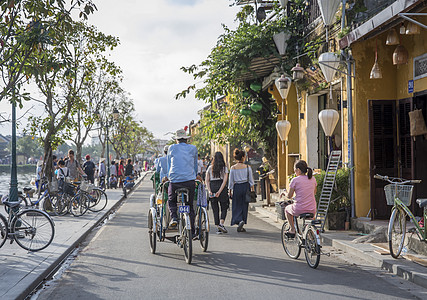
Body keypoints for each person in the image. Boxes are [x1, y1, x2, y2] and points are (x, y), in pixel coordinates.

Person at [166, 129, 198, 231]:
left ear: (177, 140)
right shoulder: (193, 148)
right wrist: (194, 175)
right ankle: (192, 230)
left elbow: (169, 165)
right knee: (190, 205)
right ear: (186, 140)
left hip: (175, 181)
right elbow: (195, 166)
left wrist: (168, 176)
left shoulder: (171, 148)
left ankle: (174, 217)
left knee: (171, 200)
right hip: (190, 180)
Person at [282, 160, 317, 237]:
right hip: (312, 208)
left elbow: (289, 196)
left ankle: (292, 229)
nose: (294, 172)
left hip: (299, 208)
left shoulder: (295, 180)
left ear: (298, 170)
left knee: (287, 209)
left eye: (294, 170)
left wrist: (284, 193)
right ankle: (311, 238)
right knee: (309, 223)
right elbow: (314, 193)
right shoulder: (313, 179)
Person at [228, 148, 254, 232]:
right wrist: (252, 190)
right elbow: (251, 181)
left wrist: (230, 190)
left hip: (237, 187)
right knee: (244, 205)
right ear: (243, 157)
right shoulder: (247, 167)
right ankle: (242, 220)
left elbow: (231, 181)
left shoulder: (233, 168)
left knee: (236, 205)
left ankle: (239, 220)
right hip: (246, 187)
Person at [206, 151, 229, 234]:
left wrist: (209, 191)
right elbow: (225, 181)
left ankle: (218, 227)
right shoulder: (224, 168)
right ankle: (221, 224)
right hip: (221, 187)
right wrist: (220, 191)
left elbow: (207, 181)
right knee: (224, 207)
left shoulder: (210, 168)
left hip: (212, 186)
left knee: (215, 208)